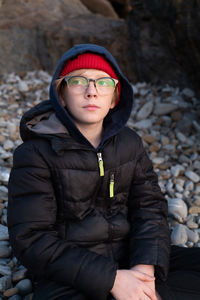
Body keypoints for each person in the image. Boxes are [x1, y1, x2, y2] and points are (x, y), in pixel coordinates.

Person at [8, 43, 171, 300]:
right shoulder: (34, 154)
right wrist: (113, 279)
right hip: (71, 274)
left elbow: (150, 207)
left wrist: (144, 271)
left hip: (131, 256)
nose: (92, 92)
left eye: (103, 83)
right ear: (61, 96)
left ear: (115, 97)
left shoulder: (130, 143)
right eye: (78, 81)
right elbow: (32, 239)